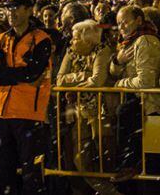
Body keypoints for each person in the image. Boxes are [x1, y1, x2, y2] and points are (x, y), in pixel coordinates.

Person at [0, 0, 52, 195]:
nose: (11, 13)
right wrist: (15, 74)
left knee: (31, 173)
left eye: (16, 8)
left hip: (28, 113)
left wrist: (3, 73)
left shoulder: (41, 39)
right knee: (3, 173)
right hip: (1, 113)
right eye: (8, 9)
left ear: (29, 10)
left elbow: (33, 73)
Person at [56, 20, 121, 195]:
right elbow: (59, 80)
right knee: (81, 159)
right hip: (78, 111)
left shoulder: (103, 51)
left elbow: (97, 81)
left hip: (101, 111)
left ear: (88, 40)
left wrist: (73, 81)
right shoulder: (71, 52)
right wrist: (84, 75)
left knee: (104, 159)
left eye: (76, 39)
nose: (71, 42)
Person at [109, 5, 160, 183]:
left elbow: (145, 81)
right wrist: (118, 60)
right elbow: (114, 72)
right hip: (138, 102)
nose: (121, 27)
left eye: (125, 22)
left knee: (149, 164)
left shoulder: (145, 41)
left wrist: (120, 84)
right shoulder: (129, 42)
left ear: (138, 20)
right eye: (118, 23)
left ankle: (128, 164)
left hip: (147, 104)